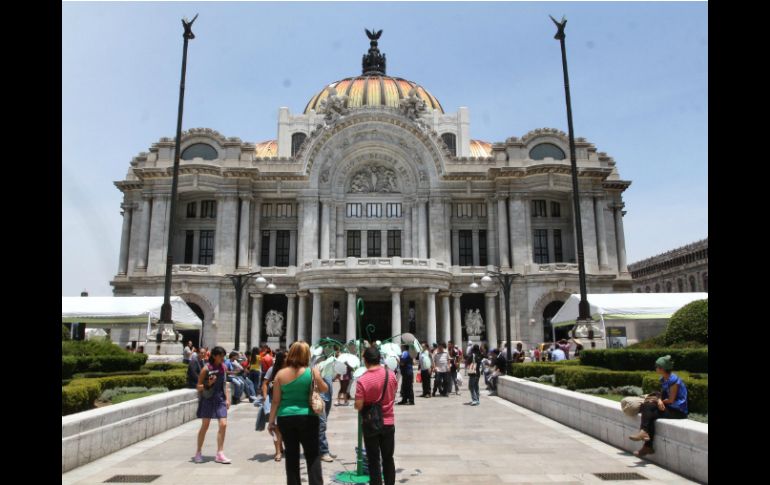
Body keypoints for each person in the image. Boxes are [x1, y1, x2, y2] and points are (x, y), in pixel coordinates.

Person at [268, 341, 328, 485]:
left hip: (285, 417)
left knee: (291, 456)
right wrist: (318, 376)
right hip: (308, 416)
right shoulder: (312, 371)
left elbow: (275, 401)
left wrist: (271, 421)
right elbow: (324, 389)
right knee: (312, 455)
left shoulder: (280, 374)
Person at [355, 346, 399, 485]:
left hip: (371, 424)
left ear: (365, 361)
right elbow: (393, 393)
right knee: (388, 458)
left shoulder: (362, 380)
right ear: (379, 359)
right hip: (388, 422)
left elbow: (359, 405)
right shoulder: (391, 375)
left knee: (374, 460)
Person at [629, 355, 688, 457]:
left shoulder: (674, 381)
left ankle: (646, 442)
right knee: (646, 407)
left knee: (649, 411)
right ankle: (645, 440)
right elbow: (662, 395)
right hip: (669, 406)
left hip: (678, 411)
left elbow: (671, 400)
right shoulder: (664, 379)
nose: (656, 368)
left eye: (657, 366)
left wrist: (659, 401)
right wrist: (659, 400)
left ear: (662, 368)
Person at [194, 346, 231, 464]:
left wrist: (228, 398)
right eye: (221, 356)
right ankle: (198, 452)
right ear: (214, 356)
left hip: (220, 399)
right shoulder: (206, 369)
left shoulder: (223, 367)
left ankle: (220, 453)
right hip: (208, 399)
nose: (223, 358)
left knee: (223, 424)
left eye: (224, 356)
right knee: (205, 425)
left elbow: (225, 384)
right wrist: (208, 384)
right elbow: (198, 387)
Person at [263, 350, 286, 461]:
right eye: (286, 357)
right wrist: (265, 397)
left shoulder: (290, 371)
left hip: (287, 403)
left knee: (284, 428)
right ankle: (277, 451)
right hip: (274, 402)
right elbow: (265, 383)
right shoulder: (272, 370)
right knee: (276, 428)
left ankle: (281, 447)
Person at [313, 354, 335, 463]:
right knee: (322, 425)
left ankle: (318, 448)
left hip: (328, 398)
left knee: (322, 424)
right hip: (320, 398)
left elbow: (331, 381)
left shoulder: (328, 366)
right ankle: (323, 451)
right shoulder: (316, 367)